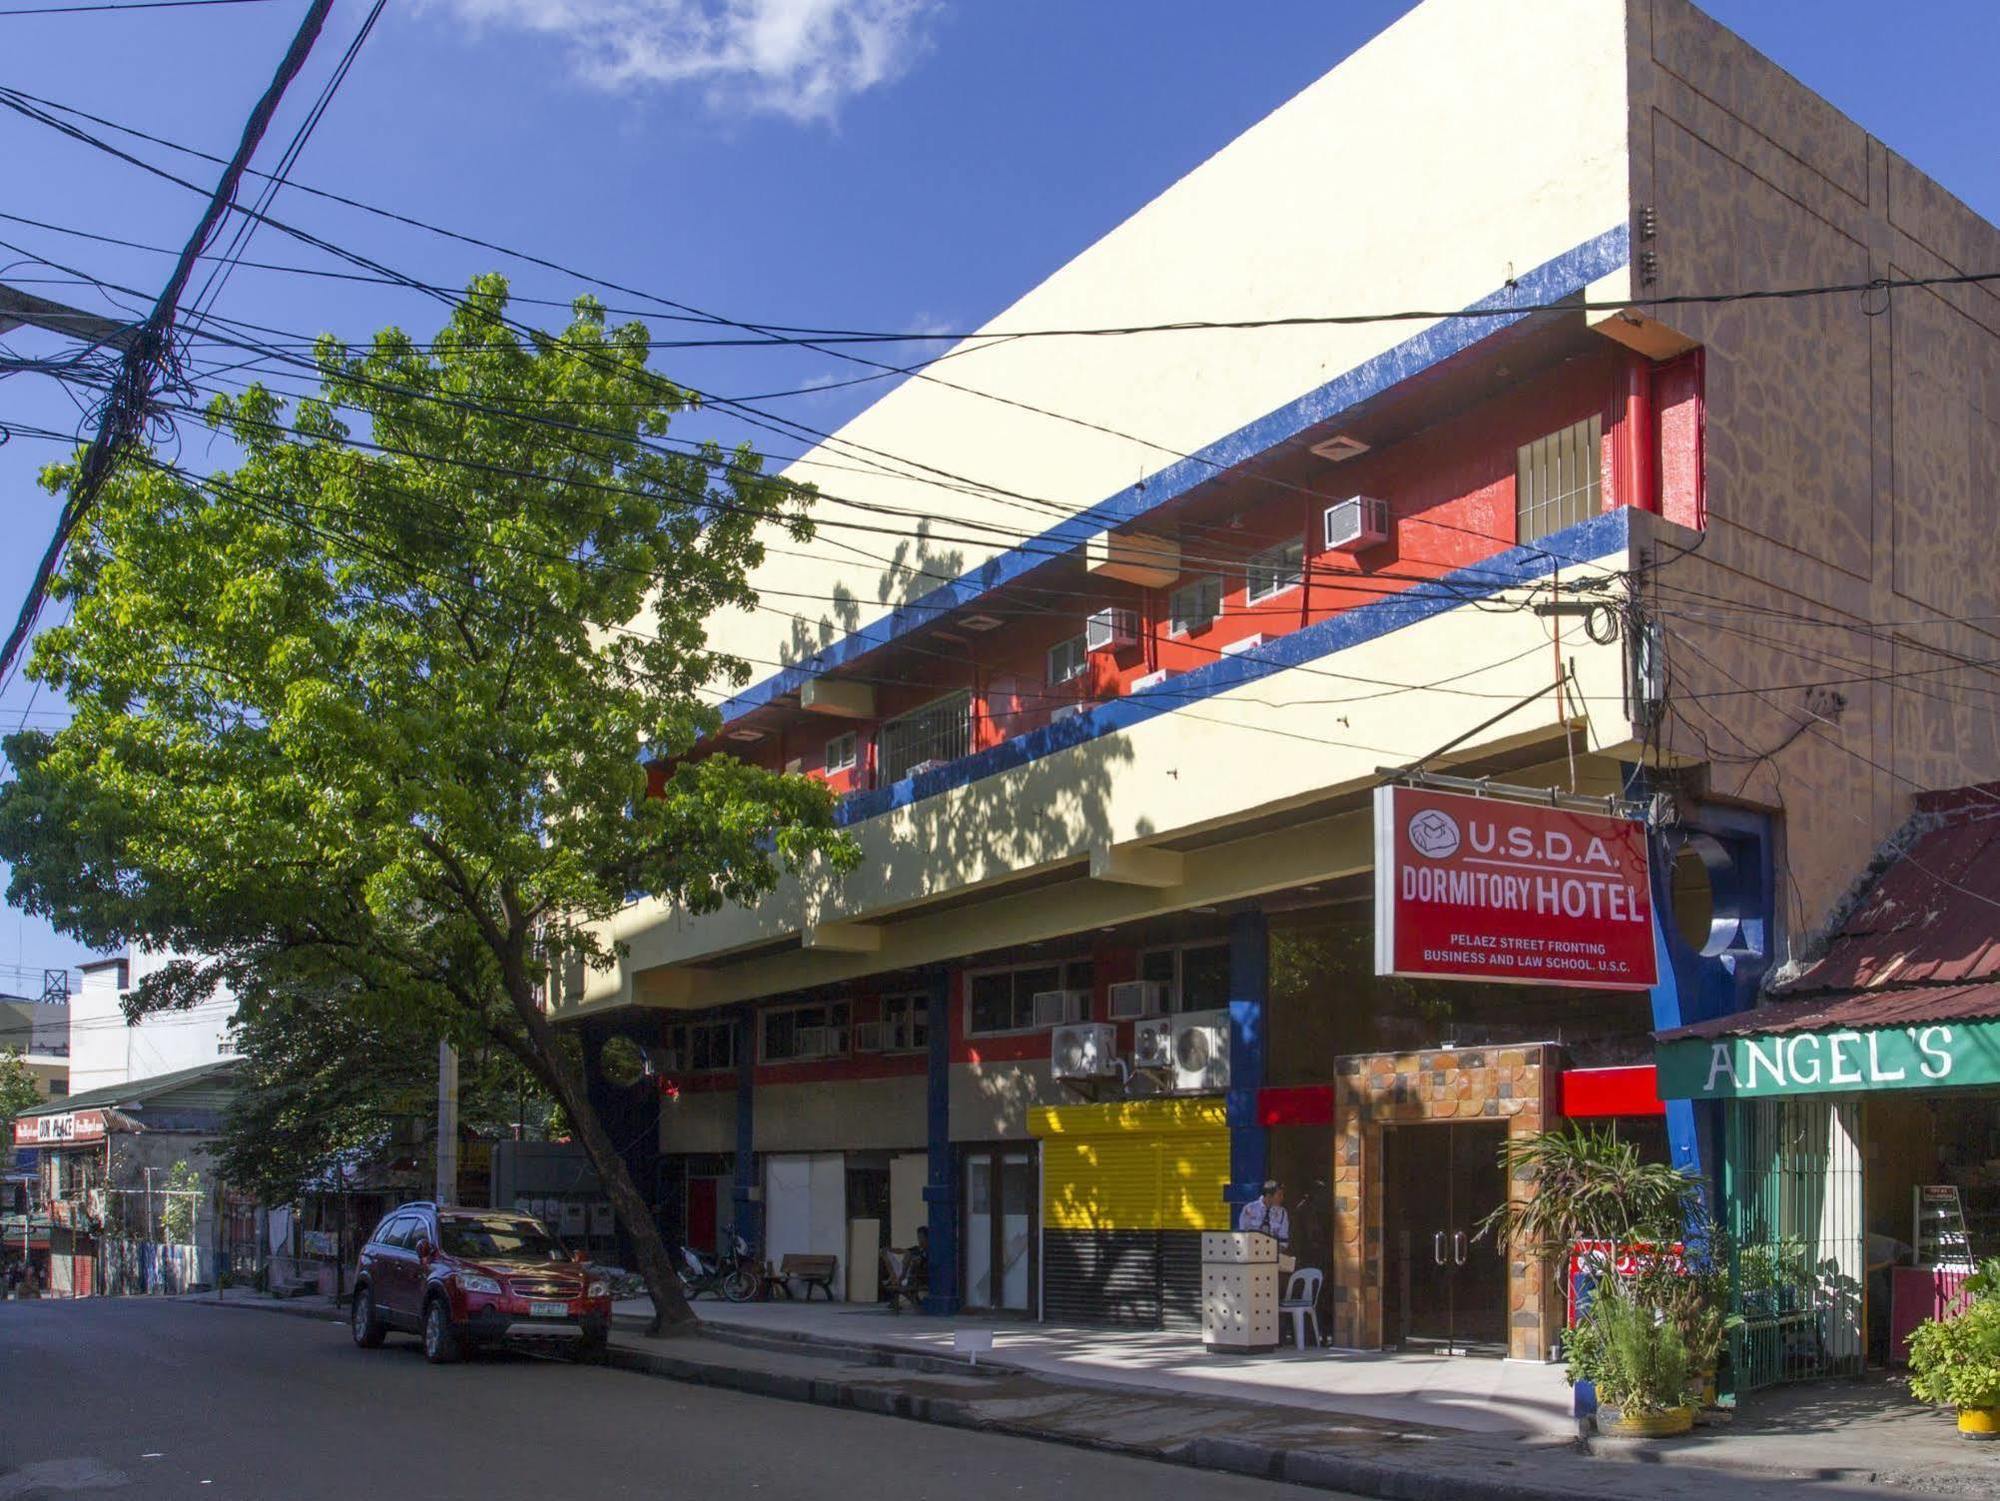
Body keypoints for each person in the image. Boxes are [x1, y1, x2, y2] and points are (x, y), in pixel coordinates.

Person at [1238, 1180, 1290, 1248]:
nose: (1282, 1198)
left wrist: (1272, 1251)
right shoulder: (1249, 1209)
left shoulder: (1282, 1213)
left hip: (1272, 1253)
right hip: (1251, 1251)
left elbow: (1283, 1239)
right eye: (1279, 1195)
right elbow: (1243, 1234)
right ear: (1269, 1196)